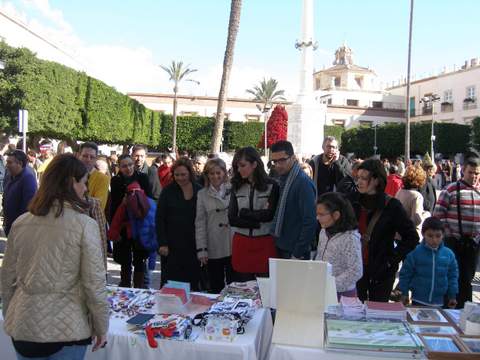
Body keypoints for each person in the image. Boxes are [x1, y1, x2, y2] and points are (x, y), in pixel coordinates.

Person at [1, 154, 108, 360]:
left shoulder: (21, 222)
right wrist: (101, 326)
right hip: (66, 330)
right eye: (83, 183)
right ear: (71, 183)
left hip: (24, 326)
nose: (85, 189)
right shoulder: (84, 225)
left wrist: (11, 313)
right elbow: (94, 283)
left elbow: (7, 280)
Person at [349, 159, 418, 302]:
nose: (359, 182)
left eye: (364, 178)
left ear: (376, 180)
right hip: (355, 269)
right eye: (358, 177)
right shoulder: (352, 201)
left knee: (377, 316)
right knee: (354, 313)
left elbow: (411, 237)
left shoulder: (392, 206)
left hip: (381, 273)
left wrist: (391, 260)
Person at [434, 153, 480, 308]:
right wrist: (450, 235)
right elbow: (438, 216)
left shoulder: (479, 192)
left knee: (467, 279)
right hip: (453, 243)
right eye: (470, 172)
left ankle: (465, 311)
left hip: (473, 244)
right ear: (463, 171)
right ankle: (450, 309)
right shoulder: (451, 190)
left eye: (477, 173)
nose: (474, 176)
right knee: (452, 278)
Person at [228, 147, 279, 279]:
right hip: (242, 244)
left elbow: (268, 215)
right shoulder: (236, 186)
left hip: (264, 243)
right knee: (241, 287)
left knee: (265, 288)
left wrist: (244, 213)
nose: (239, 170)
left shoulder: (272, 186)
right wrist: (256, 222)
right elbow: (232, 219)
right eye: (237, 166)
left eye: (243, 165)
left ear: (255, 164)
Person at [156, 157, 202, 290]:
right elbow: (160, 218)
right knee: (171, 282)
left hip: (193, 244)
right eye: (177, 175)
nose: (180, 178)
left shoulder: (199, 190)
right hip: (172, 245)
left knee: (192, 281)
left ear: (190, 174)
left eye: (183, 174)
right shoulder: (167, 191)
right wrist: (162, 243)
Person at [110, 154, 151, 288]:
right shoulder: (116, 181)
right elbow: (115, 204)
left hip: (139, 222)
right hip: (124, 223)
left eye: (130, 165)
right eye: (124, 166)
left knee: (140, 258)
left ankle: (139, 287)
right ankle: (125, 285)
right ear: (119, 167)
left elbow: (149, 199)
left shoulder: (143, 177)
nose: (128, 168)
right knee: (125, 259)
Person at [270, 140, 317, 260]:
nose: (278, 165)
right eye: (274, 161)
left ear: (293, 158)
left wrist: (297, 252)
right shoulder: (282, 179)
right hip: (281, 244)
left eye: (282, 160)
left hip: (295, 251)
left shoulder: (302, 183)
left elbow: (310, 221)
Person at [399, 217, 458, 308]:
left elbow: (453, 276)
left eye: (438, 236)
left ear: (443, 235)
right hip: (418, 300)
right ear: (423, 234)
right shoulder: (415, 253)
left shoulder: (449, 254)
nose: (434, 240)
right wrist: (404, 292)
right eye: (430, 236)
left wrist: (452, 296)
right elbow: (405, 274)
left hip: (439, 302)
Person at [315, 192, 363, 299]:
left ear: (336, 215)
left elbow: (356, 271)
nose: (317, 218)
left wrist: (331, 284)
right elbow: (320, 255)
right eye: (317, 214)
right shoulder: (323, 231)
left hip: (342, 295)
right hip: (323, 290)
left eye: (321, 215)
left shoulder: (350, 238)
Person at [196, 158, 233, 293]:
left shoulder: (234, 189)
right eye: (211, 173)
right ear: (207, 175)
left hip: (232, 242)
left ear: (224, 173)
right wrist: (202, 249)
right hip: (213, 244)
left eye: (218, 173)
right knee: (216, 286)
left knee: (234, 285)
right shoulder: (202, 194)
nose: (215, 176)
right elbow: (200, 223)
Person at [2, 150, 37, 236]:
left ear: (20, 164)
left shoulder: (28, 179)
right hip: (9, 225)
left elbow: (28, 206)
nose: (7, 166)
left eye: (10, 163)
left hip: (20, 228)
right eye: (7, 162)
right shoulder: (10, 177)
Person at [395, 165, 429, 237]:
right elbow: (416, 219)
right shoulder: (416, 196)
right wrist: (425, 215)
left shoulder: (399, 192)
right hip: (411, 236)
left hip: (398, 233)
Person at [78, 142, 110, 211]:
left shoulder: (103, 179)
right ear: (78, 156)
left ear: (96, 159)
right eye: (85, 156)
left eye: (92, 157)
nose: (88, 160)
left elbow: (99, 205)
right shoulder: (71, 174)